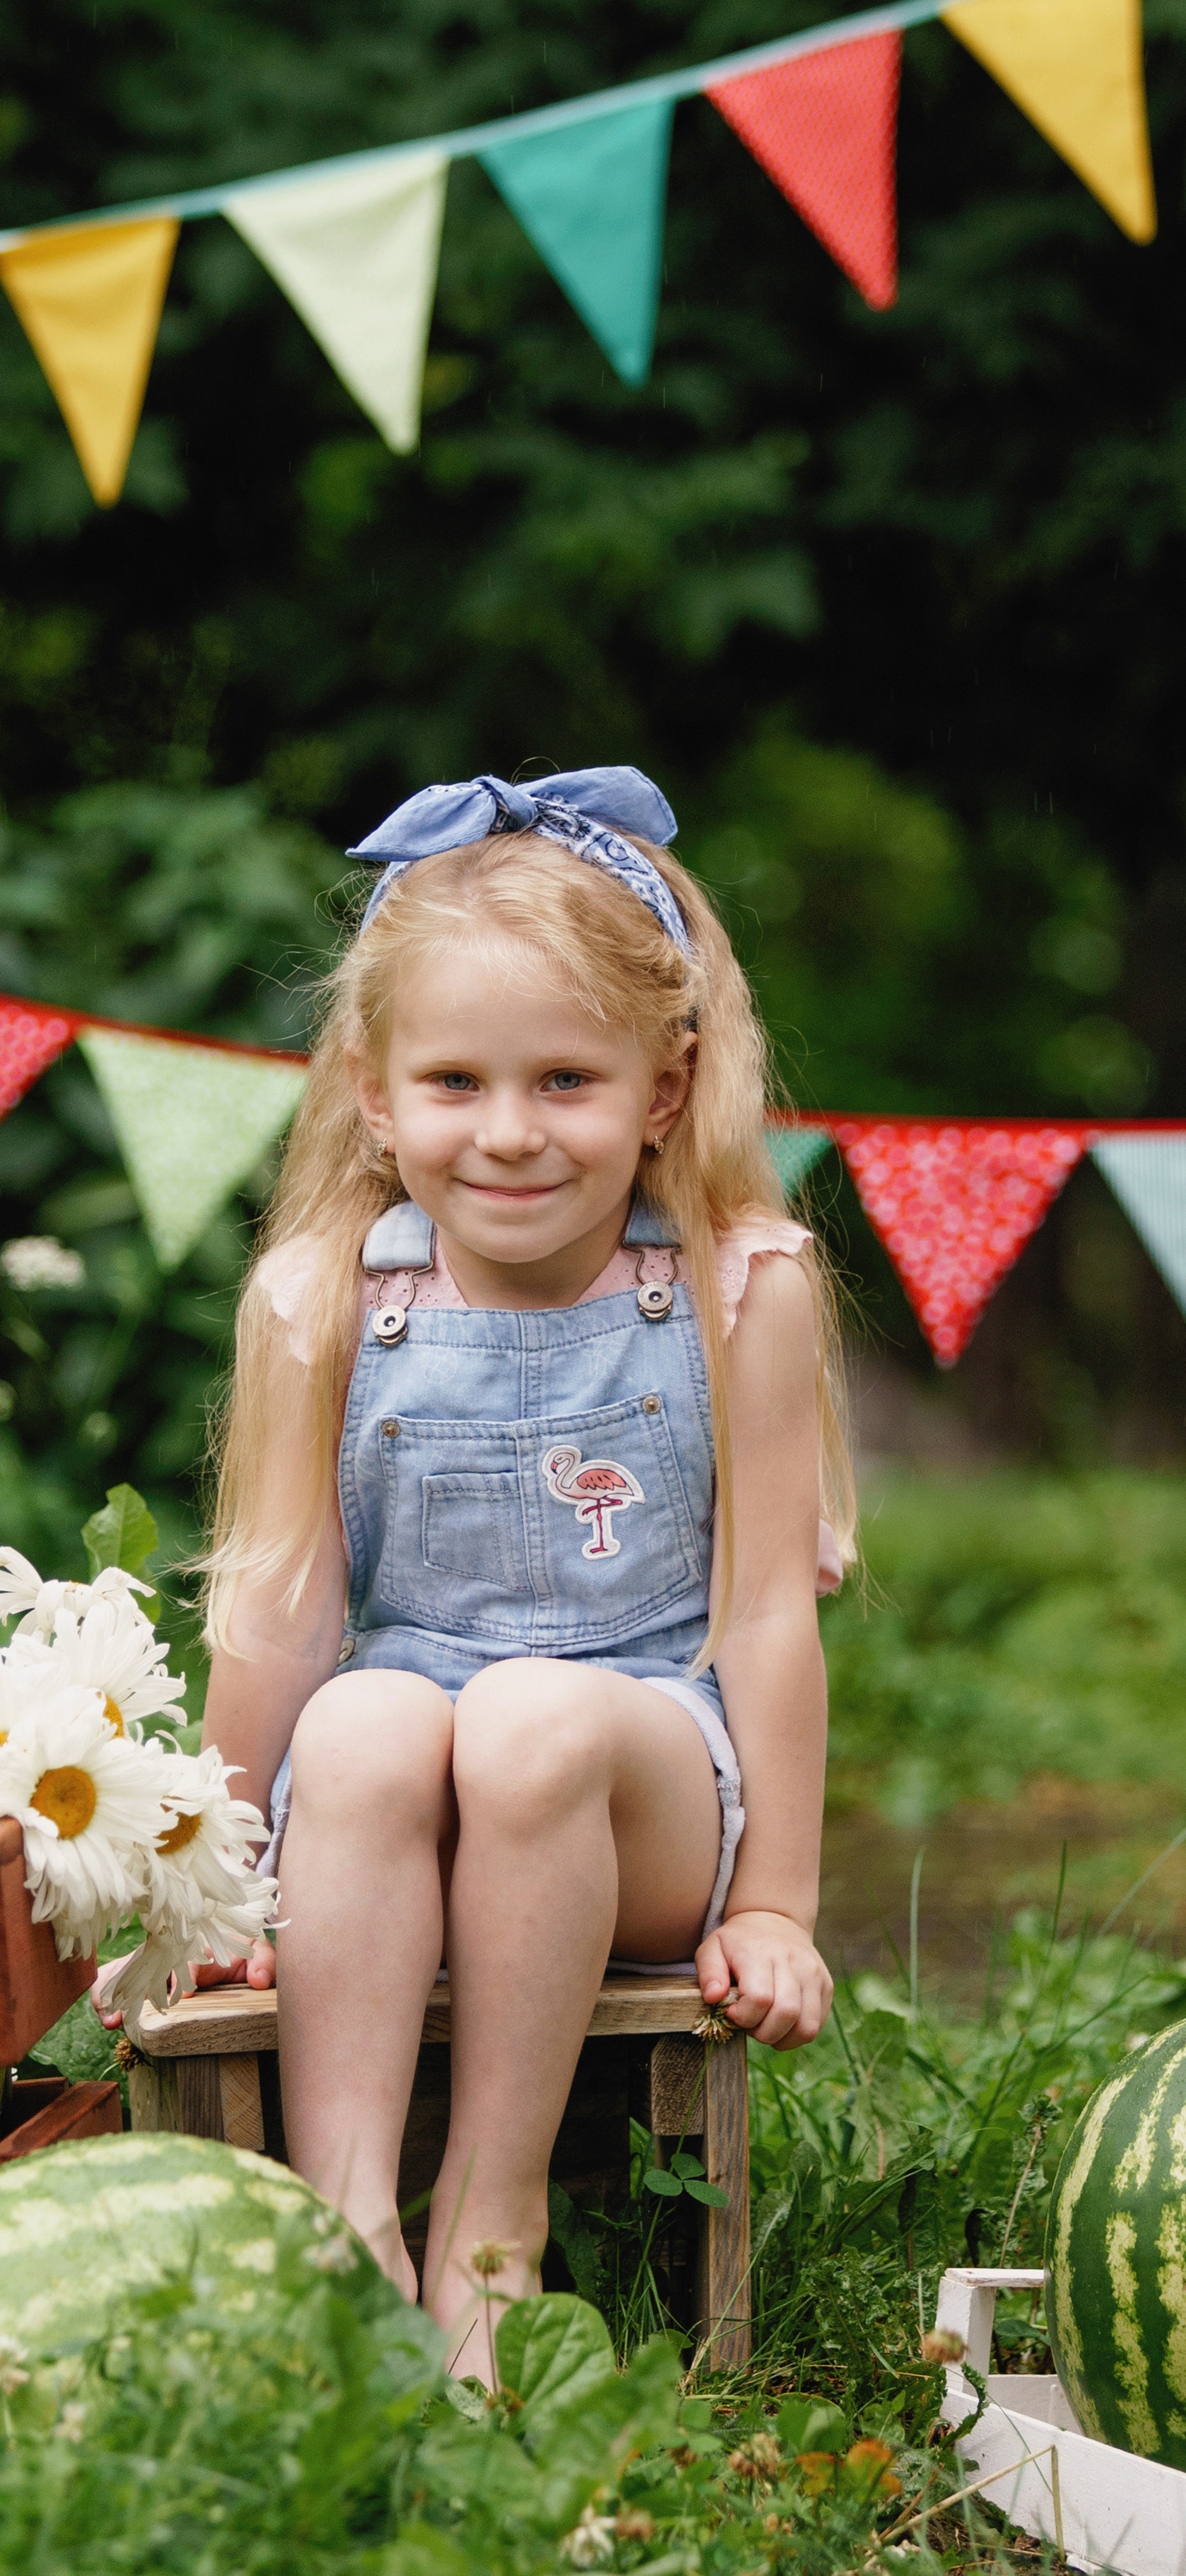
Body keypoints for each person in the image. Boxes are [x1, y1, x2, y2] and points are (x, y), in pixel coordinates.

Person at [103, 765, 855, 2358]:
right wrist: (203, 1896)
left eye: (566, 1080)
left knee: (528, 1716)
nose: (508, 1135)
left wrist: (779, 1899)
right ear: (373, 1092)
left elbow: (771, 1612)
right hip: (397, 1785)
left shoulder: (737, 1290)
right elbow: (282, 1607)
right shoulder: (324, 1300)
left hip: (637, 1766)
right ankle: (347, 2226)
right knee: (363, 1718)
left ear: (667, 1085)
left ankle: (489, 2231)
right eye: (455, 1081)